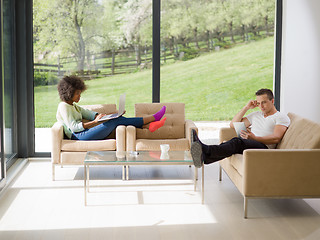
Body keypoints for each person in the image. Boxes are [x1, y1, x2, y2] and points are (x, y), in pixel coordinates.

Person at [191, 88, 290, 168]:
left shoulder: (280, 117)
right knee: (231, 145)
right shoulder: (256, 114)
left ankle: (204, 149)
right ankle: (205, 158)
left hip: (264, 147)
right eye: (259, 103)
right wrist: (246, 108)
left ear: (272, 101)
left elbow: (276, 138)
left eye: (264, 102)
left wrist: (255, 138)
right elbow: (233, 124)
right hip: (251, 143)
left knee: (236, 142)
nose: (261, 106)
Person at [56, 75, 167, 140]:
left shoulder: (73, 106)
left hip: (82, 133)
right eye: (77, 94)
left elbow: (87, 113)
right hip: (78, 136)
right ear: (69, 93)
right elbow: (74, 127)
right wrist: (95, 121)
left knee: (117, 119)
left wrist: (100, 115)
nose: (80, 96)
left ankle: (150, 125)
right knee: (114, 122)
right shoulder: (64, 107)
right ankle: (153, 119)